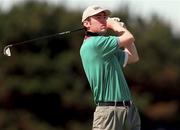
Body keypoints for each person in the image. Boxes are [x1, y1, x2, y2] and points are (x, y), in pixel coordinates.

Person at [80, 5, 141, 130]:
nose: (104, 20)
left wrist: (122, 29)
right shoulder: (95, 44)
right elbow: (129, 38)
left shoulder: (106, 48)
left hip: (128, 110)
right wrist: (116, 27)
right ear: (87, 23)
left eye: (105, 17)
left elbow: (133, 57)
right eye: (98, 17)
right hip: (109, 112)